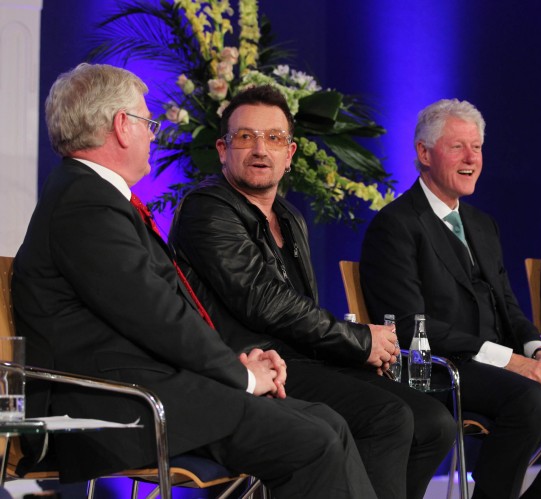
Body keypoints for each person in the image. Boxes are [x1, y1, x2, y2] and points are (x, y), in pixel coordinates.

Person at [12, 63, 377, 498]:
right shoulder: (84, 202)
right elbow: (156, 315)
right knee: (312, 440)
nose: (153, 134)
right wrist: (240, 377)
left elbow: (160, 309)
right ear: (121, 126)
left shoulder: (93, 196)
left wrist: (235, 363)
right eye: (147, 122)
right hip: (115, 405)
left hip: (151, 387)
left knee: (327, 422)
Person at [169, 85, 455, 499]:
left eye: (274, 138)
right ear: (222, 149)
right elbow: (264, 302)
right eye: (245, 137)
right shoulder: (206, 210)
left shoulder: (289, 217)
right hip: (250, 368)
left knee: (435, 423)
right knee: (387, 417)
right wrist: (358, 342)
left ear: (291, 153)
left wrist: (351, 353)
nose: (260, 149)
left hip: (302, 361)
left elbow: (302, 309)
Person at [359, 98, 541, 499]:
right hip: (441, 368)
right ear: (424, 153)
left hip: (503, 365)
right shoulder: (395, 226)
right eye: (458, 147)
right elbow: (407, 325)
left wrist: (538, 351)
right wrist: (512, 361)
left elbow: (508, 305)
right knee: (531, 396)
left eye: (477, 147)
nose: (472, 157)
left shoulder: (482, 224)